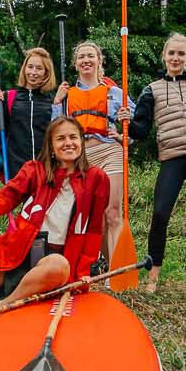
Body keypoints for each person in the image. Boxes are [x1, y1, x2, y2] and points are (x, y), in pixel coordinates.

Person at [0, 115, 109, 324]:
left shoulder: (96, 178)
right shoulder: (35, 170)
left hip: (51, 270)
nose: (68, 143)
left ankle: (5, 306)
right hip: (15, 259)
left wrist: (83, 271)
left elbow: (94, 229)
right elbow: (0, 201)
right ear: (51, 145)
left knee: (59, 265)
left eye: (73, 137)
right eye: (60, 138)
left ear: (81, 141)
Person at [129, 31, 186, 293]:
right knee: (160, 214)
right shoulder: (151, 90)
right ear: (164, 56)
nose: (176, 58)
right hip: (173, 157)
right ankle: (152, 279)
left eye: (181, 53)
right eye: (171, 53)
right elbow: (141, 130)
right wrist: (125, 121)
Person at [57, 40, 133, 253]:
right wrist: (56, 102)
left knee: (113, 212)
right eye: (81, 57)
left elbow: (136, 125)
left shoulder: (114, 93)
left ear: (99, 61)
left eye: (91, 56)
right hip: (83, 157)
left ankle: (116, 270)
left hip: (110, 151)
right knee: (95, 217)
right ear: (75, 64)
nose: (86, 60)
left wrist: (125, 130)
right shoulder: (67, 95)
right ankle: (106, 265)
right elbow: (56, 129)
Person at [0, 46, 60, 181]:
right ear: (24, 68)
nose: (33, 72)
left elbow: (57, 133)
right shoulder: (8, 97)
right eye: (30, 67)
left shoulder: (52, 101)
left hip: (45, 169)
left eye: (39, 68)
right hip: (16, 170)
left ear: (46, 72)